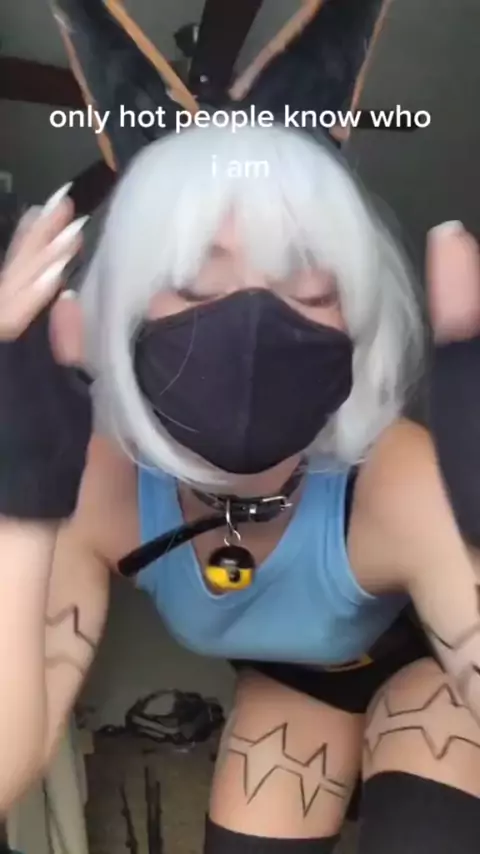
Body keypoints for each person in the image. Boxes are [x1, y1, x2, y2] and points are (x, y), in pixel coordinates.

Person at [1, 123, 480, 854]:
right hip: (296, 686)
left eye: (310, 287)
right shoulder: (96, 485)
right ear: (127, 307)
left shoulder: (404, 478)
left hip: (427, 674)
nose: (252, 323)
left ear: (356, 320)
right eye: (196, 282)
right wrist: (18, 506)